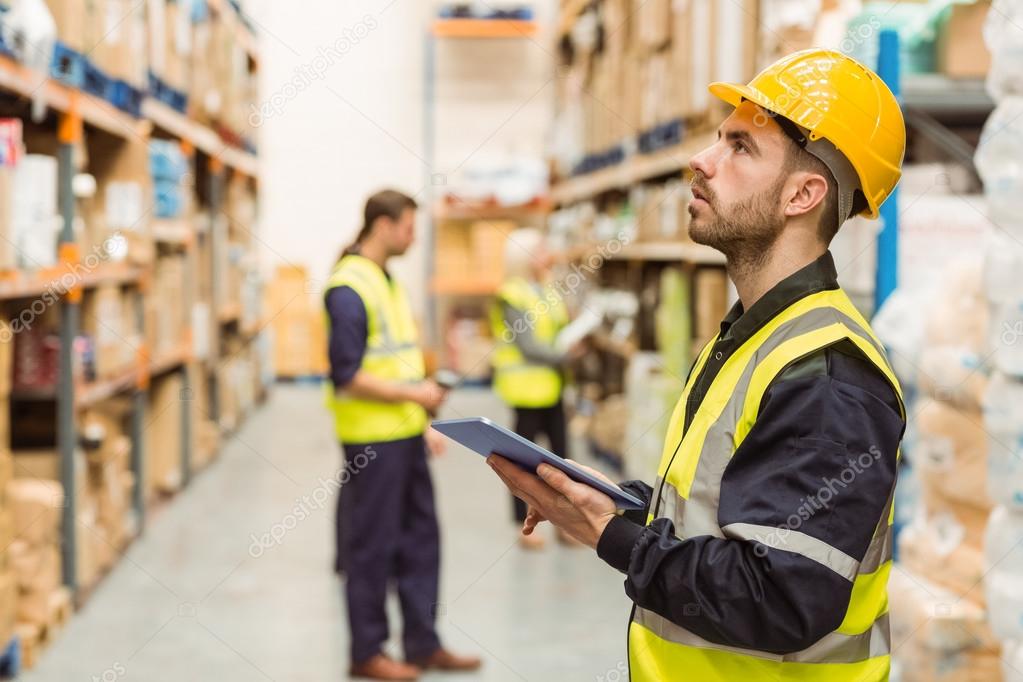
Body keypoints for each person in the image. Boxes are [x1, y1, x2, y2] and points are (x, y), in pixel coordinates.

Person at [488, 49, 907, 681]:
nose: (700, 162)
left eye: (740, 147)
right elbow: (722, 517)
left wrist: (611, 534)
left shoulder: (825, 375)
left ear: (802, 193)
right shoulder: (753, 335)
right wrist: (610, 502)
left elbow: (780, 599)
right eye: (717, 140)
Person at [326, 189, 481, 680]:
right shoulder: (349, 287)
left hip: (403, 436)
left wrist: (420, 424)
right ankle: (366, 653)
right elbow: (347, 374)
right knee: (372, 547)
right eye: (409, 227)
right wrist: (417, 400)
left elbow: (395, 362)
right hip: (371, 443)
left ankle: (421, 642)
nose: (413, 238)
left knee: (421, 540)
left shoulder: (384, 281)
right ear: (384, 225)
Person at [489, 228, 577, 549]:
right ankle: (522, 526)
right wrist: (566, 354)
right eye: (541, 250)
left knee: (562, 462)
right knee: (522, 464)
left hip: (552, 388)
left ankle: (564, 525)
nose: (548, 255)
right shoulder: (512, 294)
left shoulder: (547, 290)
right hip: (526, 392)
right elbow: (529, 347)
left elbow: (558, 329)